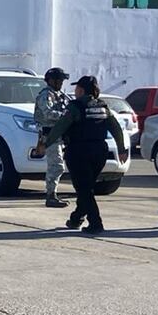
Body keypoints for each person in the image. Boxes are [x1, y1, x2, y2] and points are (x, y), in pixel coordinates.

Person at [45, 75, 128, 234]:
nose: (75, 91)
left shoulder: (75, 107)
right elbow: (115, 128)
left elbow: (60, 127)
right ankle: (76, 219)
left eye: (77, 88)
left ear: (81, 90)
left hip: (78, 152)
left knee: (84, 189)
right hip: (100, 152)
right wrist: (122, 149)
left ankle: (96, 223)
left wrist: (45, 144)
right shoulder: (103, 106)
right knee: (86, 187)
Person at [33, 67, 71, 208]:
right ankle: (50, 196)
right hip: (49, 135)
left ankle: (52, 194)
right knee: (56, 166)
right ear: (51, 80)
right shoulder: (46, 95)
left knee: (58, 165)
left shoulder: (60, 94)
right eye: (59, 80)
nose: (61, 83)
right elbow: (47, 113)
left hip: (60, 135)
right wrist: (66, 116)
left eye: (62, 81)